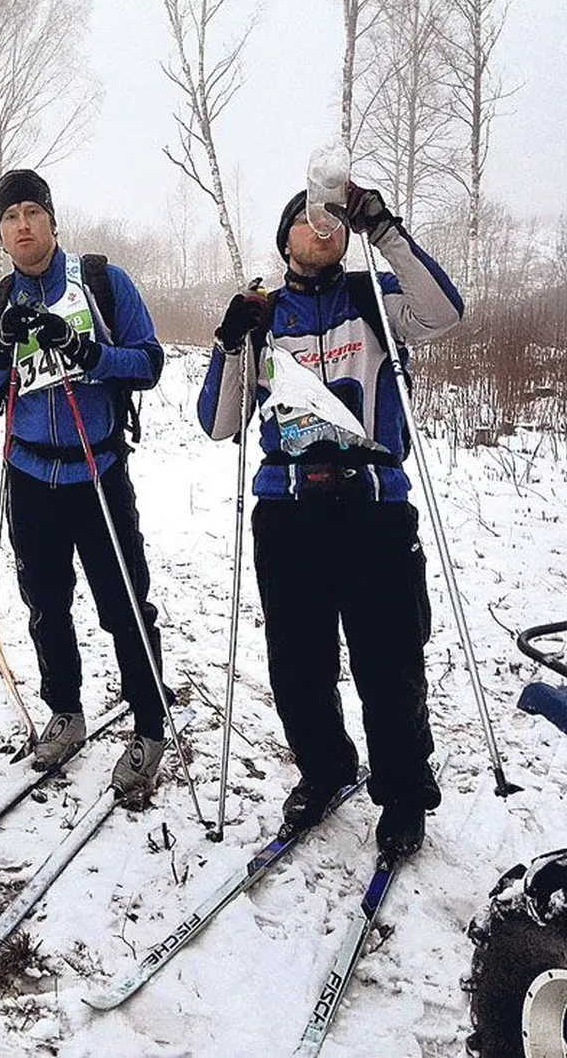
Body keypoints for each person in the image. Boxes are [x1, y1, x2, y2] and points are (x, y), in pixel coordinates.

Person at [197, 181, 464, 857]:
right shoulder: (265, 314)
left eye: (338, 222)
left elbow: (444, 311)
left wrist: (384, 228)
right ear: (286, 237)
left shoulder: (371, 299)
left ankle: (403, 793)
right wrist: (231, 343)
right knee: (299, 666)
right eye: (310, 220)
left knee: (389, 662)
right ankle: (325, 769)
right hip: (288, 514)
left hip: (373, 509)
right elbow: (220, 423)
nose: (325, 228)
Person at [0, 169, 172, 797]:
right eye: (9, 217)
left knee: (125, 605)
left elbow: (150, 362)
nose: (22, 224)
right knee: (46, 604)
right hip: (29, 475)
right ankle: (66, 711)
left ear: (52, 220)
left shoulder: (104, 283)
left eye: (32, 211)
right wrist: (0, 352)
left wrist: (88, 354)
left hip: (97, 471)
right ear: (0, 234)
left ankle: (150, 722)